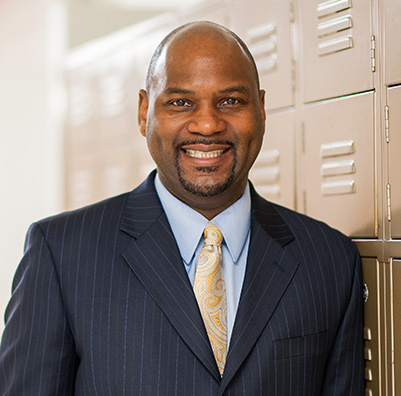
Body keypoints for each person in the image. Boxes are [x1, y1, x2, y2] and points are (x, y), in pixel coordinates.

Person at [0, 21, 364, 395]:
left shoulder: (330, 261)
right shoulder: (61, 254)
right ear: (144, 113)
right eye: (180, 103)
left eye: (231, 101)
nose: (207, 124)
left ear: (261, 109)